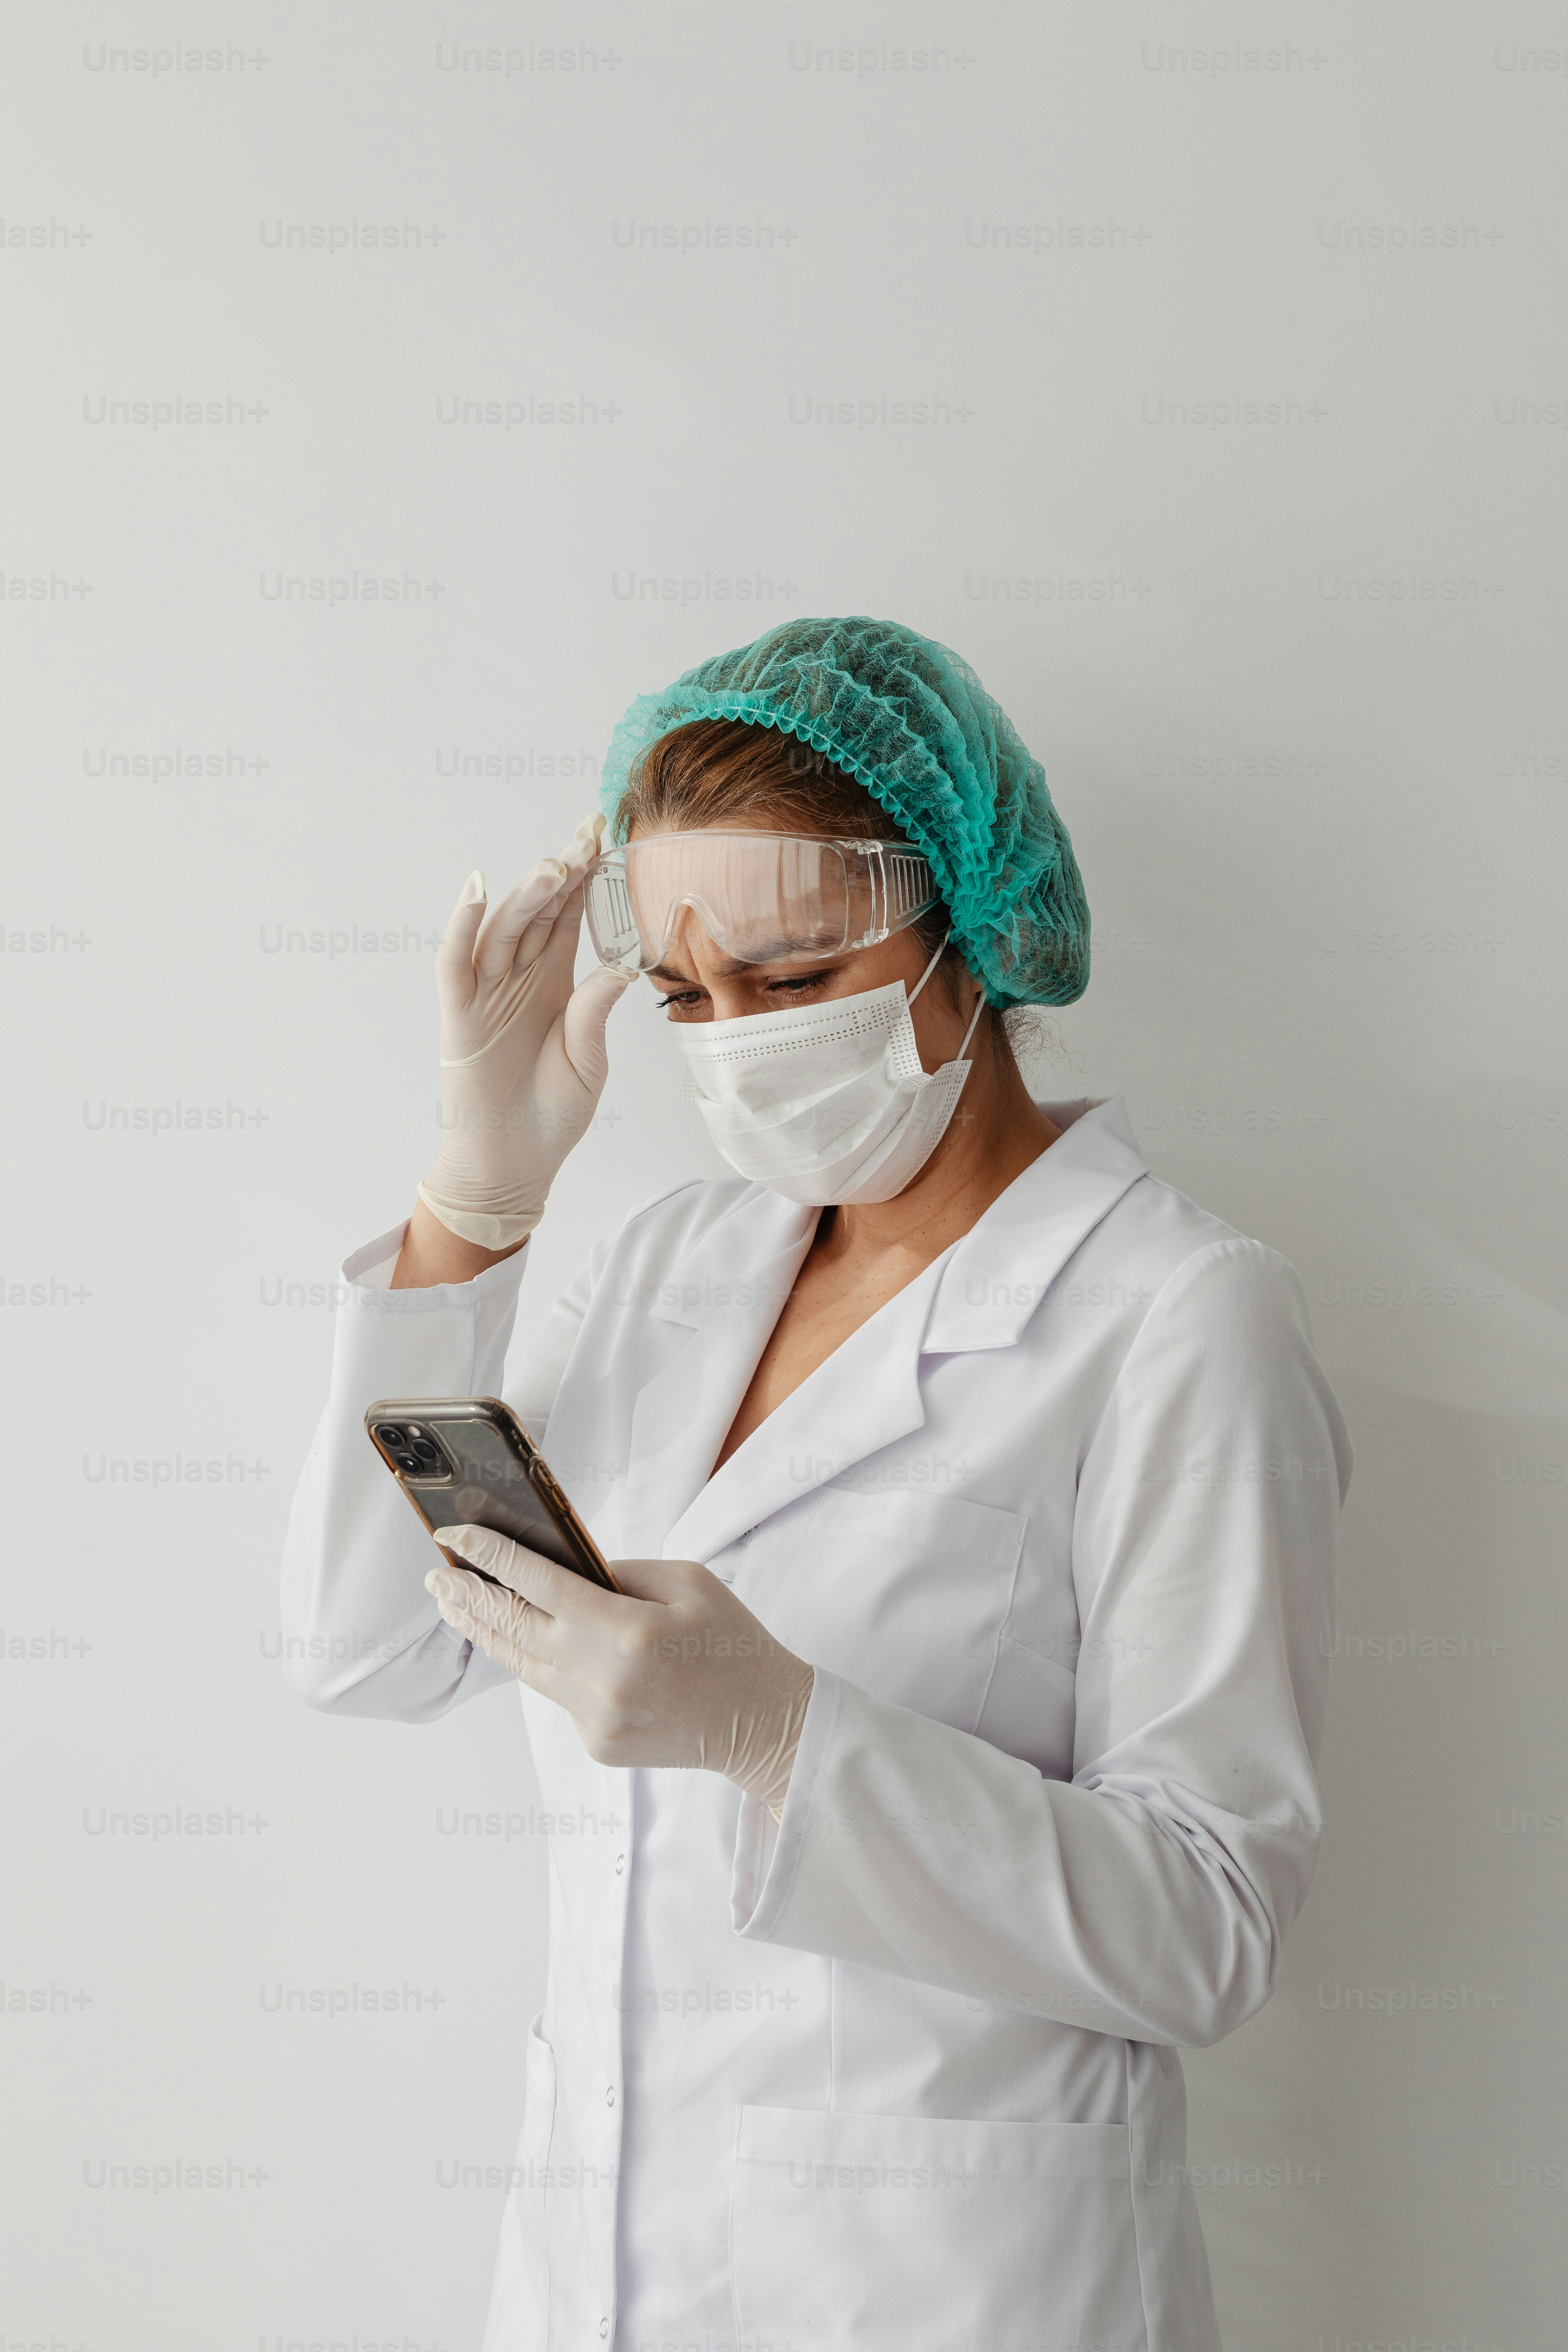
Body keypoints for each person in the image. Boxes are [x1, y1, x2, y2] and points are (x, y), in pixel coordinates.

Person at [281, 616, 1351, 2352]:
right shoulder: (676, 1266)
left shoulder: (1177, 1315)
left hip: (950, 2292)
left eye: (791, 984)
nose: (736, 1044)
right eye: (693, 999)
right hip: (597, 2274)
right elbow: (367, 1651)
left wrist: (788, 1734)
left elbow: (1207, 1930)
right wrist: (475, 1200)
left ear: (969, 926)